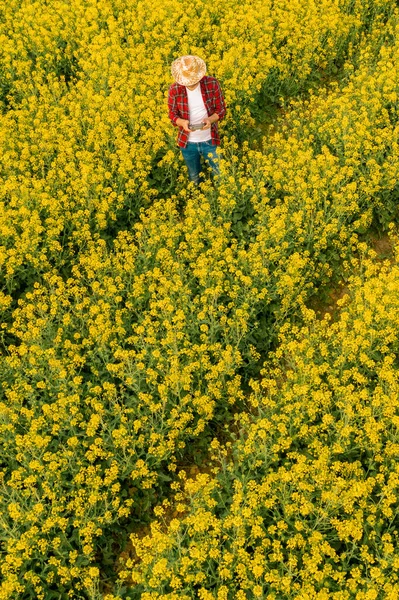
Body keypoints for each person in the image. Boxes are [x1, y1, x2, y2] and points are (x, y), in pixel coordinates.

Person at [168, 55, 226, 186]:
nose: (190, 83)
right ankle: (197, 198)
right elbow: (172, 115)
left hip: (210, 140)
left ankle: (221, 198)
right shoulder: (175, 90)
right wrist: (182, 123)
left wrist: (210, 120)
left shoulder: (211, 83)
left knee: (220, 175)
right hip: (188, 143)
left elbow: (221, 110)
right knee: (194, 176)